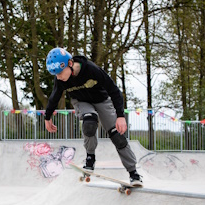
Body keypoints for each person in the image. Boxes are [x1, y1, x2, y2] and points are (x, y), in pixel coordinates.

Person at [44, 47, 143, 186]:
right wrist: (47, 117)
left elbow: (114, 90)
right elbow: (54, 97)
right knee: (89, 122)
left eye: (60, 73)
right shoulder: (60, 80)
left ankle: (133, 173)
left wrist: (120, 116)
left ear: (70, 64)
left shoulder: (91, 69)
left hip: (102, 100)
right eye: (55, 74)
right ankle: (90, 158)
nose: (58, 77)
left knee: (117, 136)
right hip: (81, 102)